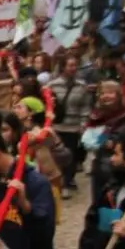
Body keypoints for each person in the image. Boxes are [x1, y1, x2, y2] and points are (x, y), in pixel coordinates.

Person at [49, 55, 93, 195]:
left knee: (71, 155)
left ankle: (67, 181)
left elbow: (85, 107)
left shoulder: (82, 86)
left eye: (75, 65)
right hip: (57, 126)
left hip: (73, 127)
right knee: (56, 155)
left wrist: (83, 124)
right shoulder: (53, 85)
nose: (73, 68)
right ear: (63, 67)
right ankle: (59, 182)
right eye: (70, 65)